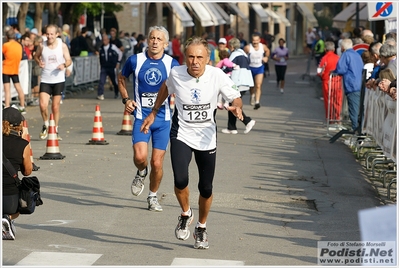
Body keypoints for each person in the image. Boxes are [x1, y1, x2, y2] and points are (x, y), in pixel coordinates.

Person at [140, 36, 244, 249]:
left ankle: (201, 227)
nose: (195, 62)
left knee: (206, 188)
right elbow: (165, 88)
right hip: (182, 134)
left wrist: (237, 106)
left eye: (199, 57)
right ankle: (186, 213)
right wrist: (153, 112)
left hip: (207, 137)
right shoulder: (176, 73)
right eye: (191, 57)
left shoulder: (217, 75)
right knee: (180, 179)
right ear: (185, 58)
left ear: (208, 59)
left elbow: (236, 96)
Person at [117, 26, 179, 212]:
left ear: (165, 44)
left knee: (157, 163)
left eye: (159, 39)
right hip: (141, 116)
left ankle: (153, 196)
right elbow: (121, 78)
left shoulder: (172, 63)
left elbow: (183, 84)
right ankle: (141, 172)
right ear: (147, 40)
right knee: (140, 157)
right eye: (152, 38)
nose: (154, 42)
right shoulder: (135, 60)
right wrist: (126, 99)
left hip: (163, 120)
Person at [34, 24, 72, 141]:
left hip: (58, 80)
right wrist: (38, 62)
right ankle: (46, 124)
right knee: (43, 105)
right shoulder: (42, 45)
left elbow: (69, 60)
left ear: (57, 34)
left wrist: (64, 65)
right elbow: (36, 56)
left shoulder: (62, 46)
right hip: (45, 79)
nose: (49, 36)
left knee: (55, 107)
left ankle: (55, 129)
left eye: (52, 34)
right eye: (47, 34)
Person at [2, 107, 33, 240]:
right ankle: (7, 217)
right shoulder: (23, 144)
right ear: (20, 124)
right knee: (29, 192)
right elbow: (27, 171)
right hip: (9, 198)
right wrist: (24, 139)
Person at [221, 37, 256, 135]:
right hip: (246, 81)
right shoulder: (243, 53)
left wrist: (219, 73)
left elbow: (228, 67)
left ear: (231, 46)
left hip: (238, 82)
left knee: (233, 103)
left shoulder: (234, 54)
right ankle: (231, 128)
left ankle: (247, 121)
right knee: (232, 102)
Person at [333, 38, 364, 132]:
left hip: (352, 85)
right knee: (359, 109)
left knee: (353, 110)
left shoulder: (346, 54)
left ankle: (356, 130)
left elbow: (341, 69)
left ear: (342, 47)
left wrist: (334, 72)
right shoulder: (357, 55)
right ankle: (359, 129)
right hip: (360, 84)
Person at [2, 29, 27, 114]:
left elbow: (3, 56)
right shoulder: (19, 45)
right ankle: (22, 106)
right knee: (18, 88)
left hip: (6, 69)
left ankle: (7, 107)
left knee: (7, 90)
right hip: (15, 69)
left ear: (7, 37)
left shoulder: (5, 45)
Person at [244, 32, 270, 109]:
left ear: (259, 40)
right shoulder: (248, 47)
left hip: (259, 68)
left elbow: (267, 51)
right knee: (251, 86)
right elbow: (243, 55)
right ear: (251, 40)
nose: (255, 42)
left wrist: (266, 57)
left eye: (256, 40)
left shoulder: (263, 47)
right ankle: (252, 95)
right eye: (253, 40)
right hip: (250, 68)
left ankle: (257, 102)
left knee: (258, 85)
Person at [317, 41, 341, 121]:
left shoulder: (324, 58)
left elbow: (319, 71)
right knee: (337, 100)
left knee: (328, 101)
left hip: (327, 81)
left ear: (325, 49)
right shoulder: (338, 58)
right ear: (334, 49)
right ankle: (337, 118)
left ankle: (329, 119)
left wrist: (321, 75)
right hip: (337, 81)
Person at [97, 33, 122, 100]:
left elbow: (120, 53)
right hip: (104, 67)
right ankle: (100, 94)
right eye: (103, 40)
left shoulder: (113, 47)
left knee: (114, 81)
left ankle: (117, 93)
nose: (104, 41)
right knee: (102, 81)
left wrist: (118, 62)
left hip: (112, 67)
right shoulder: (101, 48)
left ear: (108, 40)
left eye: (105, 40)